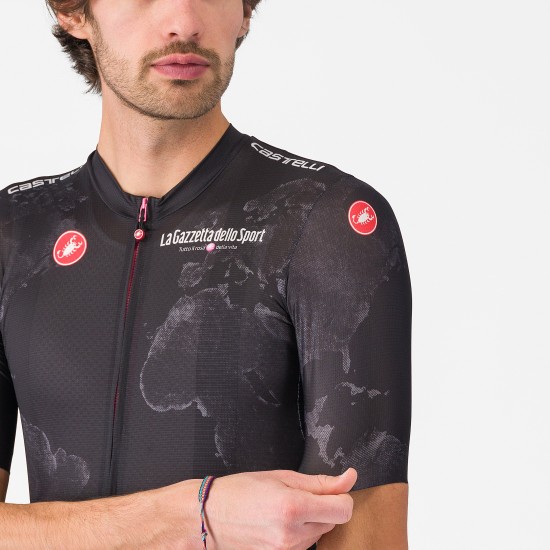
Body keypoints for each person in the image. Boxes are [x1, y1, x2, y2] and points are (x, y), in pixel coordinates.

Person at [0, 1, 412, 548]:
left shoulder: (326, 224)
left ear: (244, 13)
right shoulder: (14, 234)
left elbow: (369, 539)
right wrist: (192, 515)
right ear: (73, 12)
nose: (185, 22)